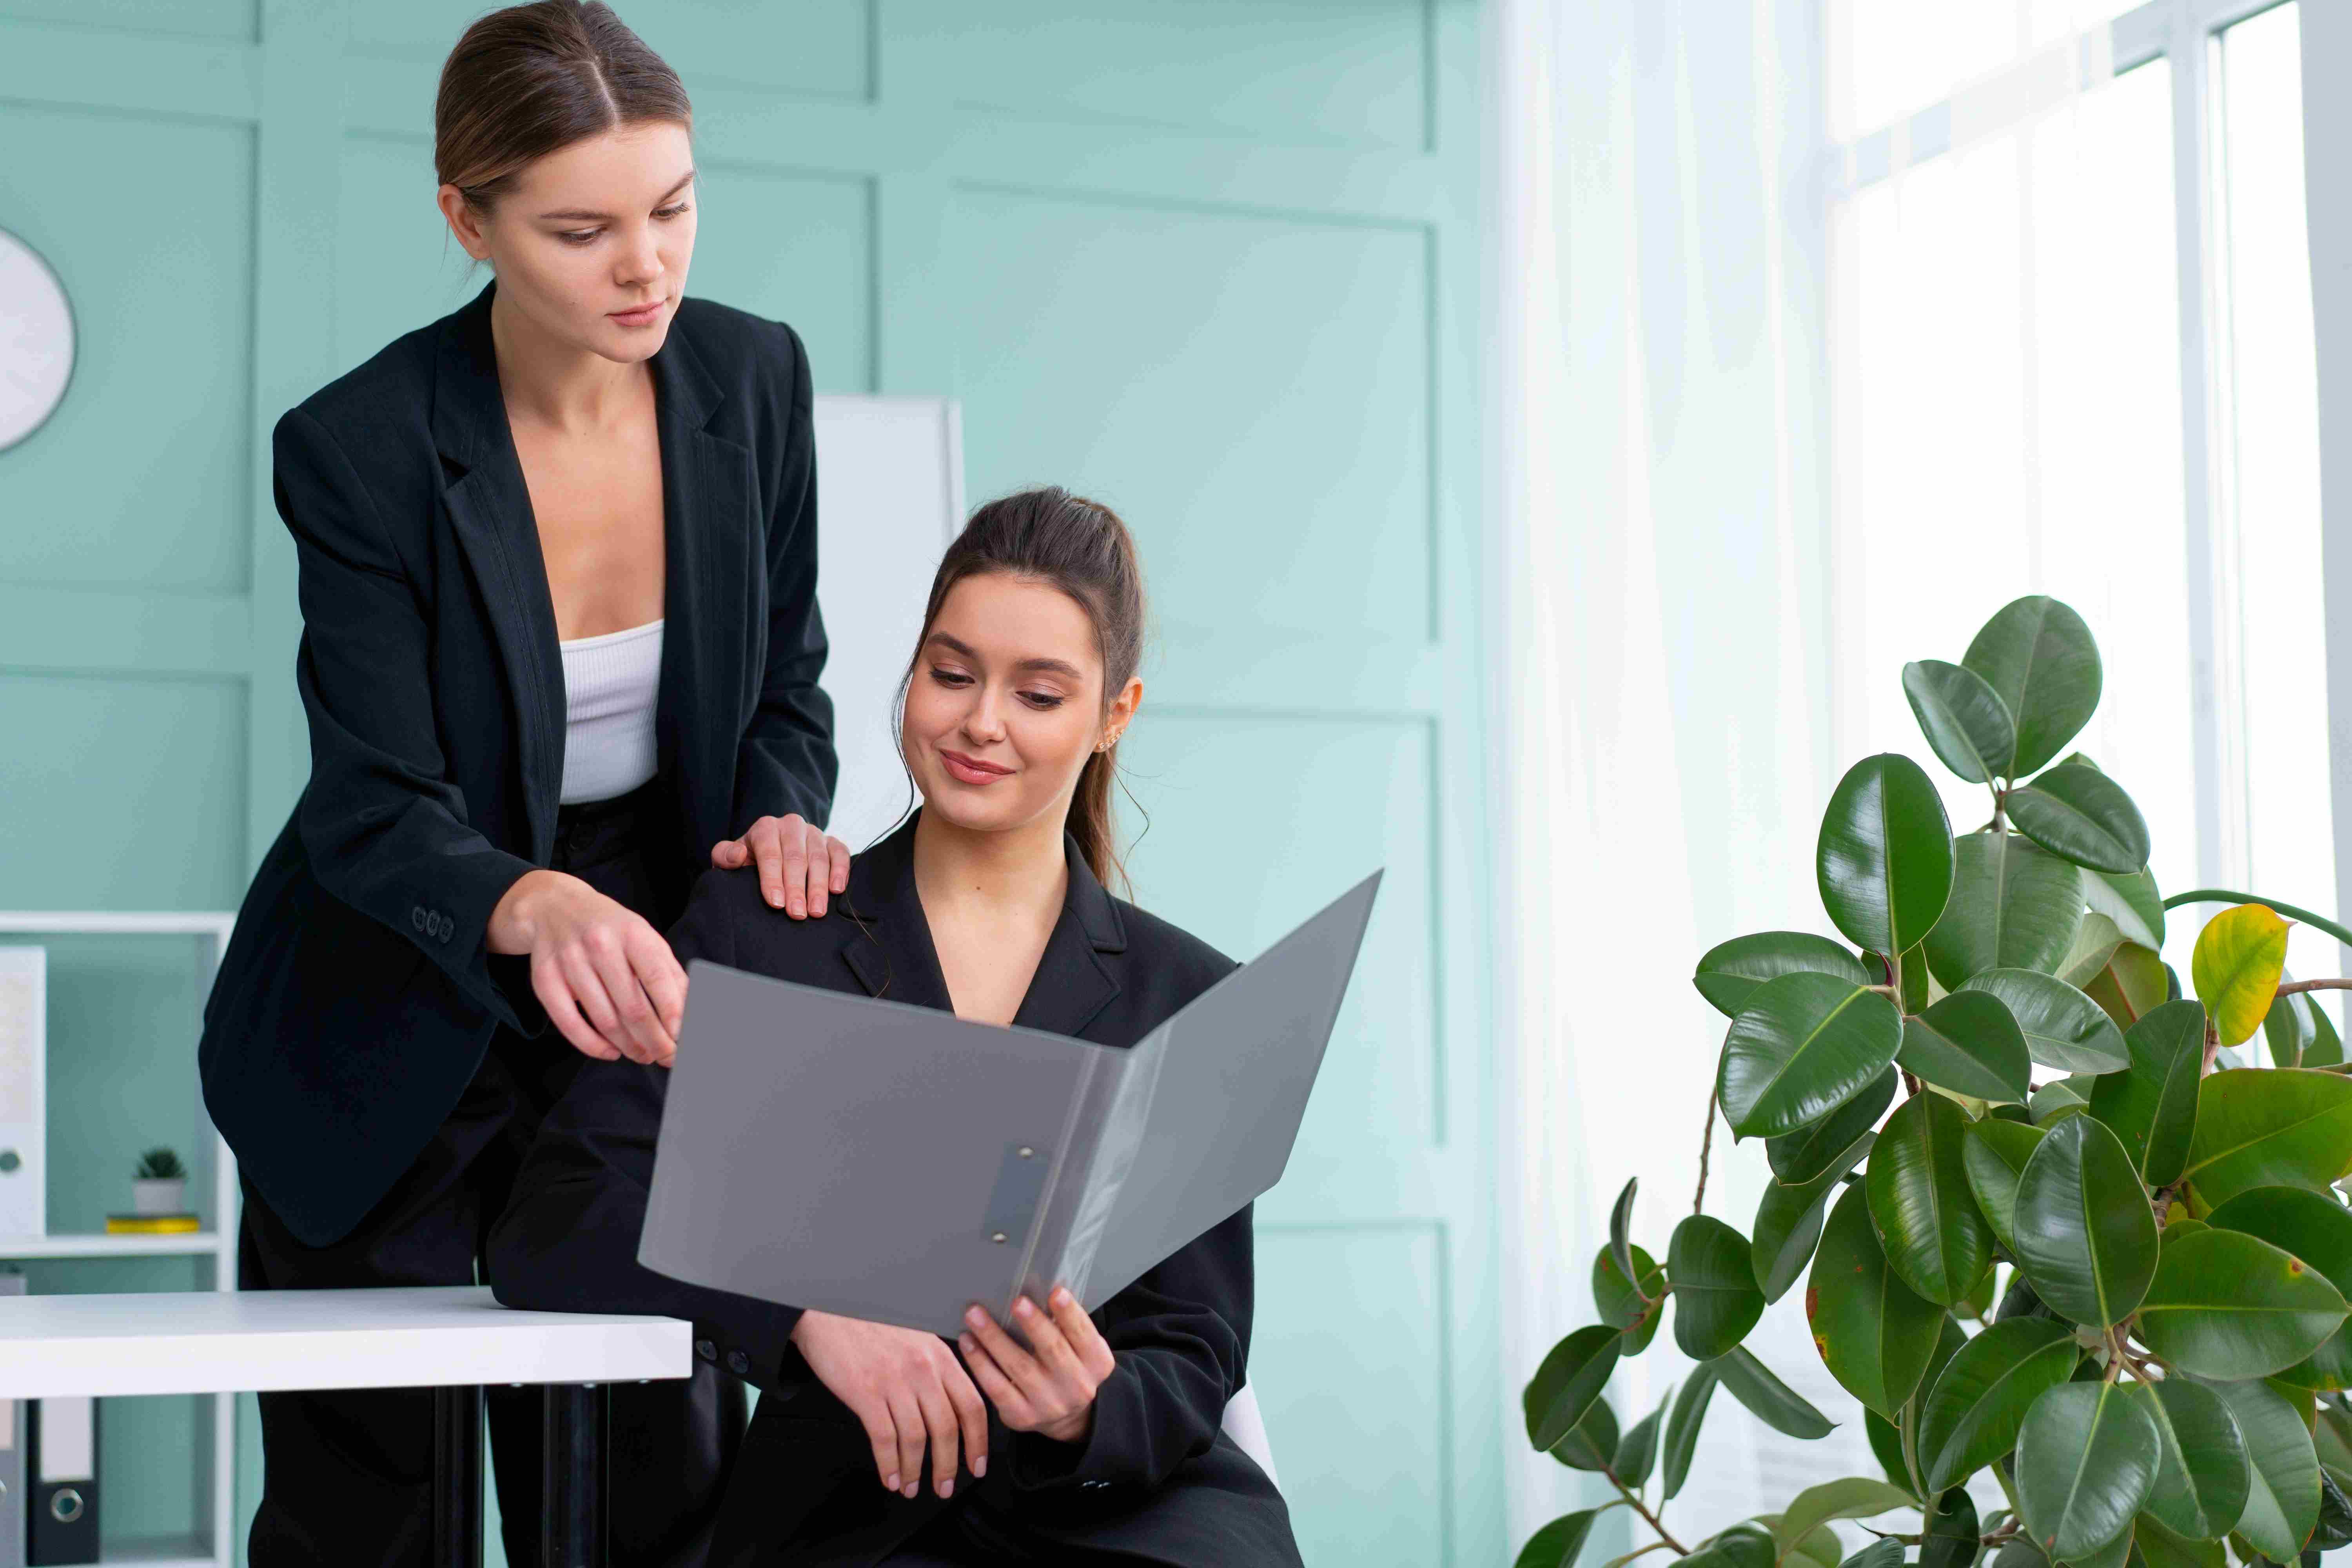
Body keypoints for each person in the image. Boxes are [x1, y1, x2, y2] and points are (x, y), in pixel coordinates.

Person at [194, 4, 849, 1561]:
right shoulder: (360, 450)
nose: (647, 269)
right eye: (581, 229)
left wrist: (776, 810)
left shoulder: (753, 380)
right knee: (380, 1526)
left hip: (637, 1032)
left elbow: (787, 688)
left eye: (675, 208)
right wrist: (534, 899)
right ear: (467, 220)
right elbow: (373, 803)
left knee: (655, 1499)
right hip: (387, 1024)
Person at [489, 488, 1305, 1566]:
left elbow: (1195, 1344)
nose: (981, 722)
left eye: (1041, 694)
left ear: (1115, 714)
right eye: (952, 673)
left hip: (1130, 1511)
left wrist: (1085, 1406)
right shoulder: (767, 932)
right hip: (856, 1517)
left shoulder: (1190, 996)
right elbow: (555, 1215)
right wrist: (799, 1313)